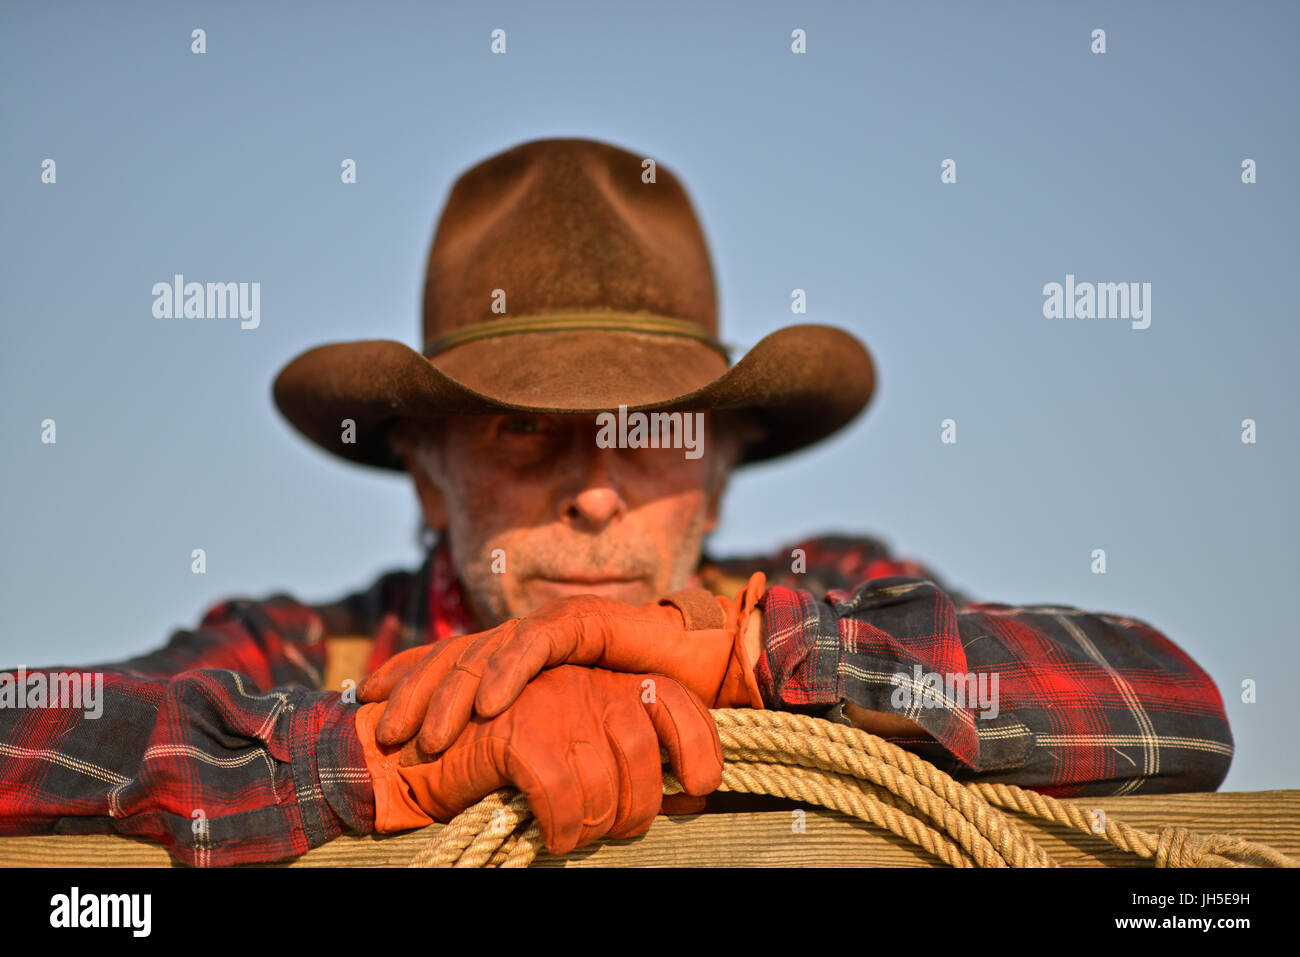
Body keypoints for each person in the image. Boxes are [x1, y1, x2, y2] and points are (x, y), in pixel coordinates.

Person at [0, 138, 1232, 866]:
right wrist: (374, 756)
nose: (594, 489)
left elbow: (1171, 706)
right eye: (520, 431)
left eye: (653, 436)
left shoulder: (834, 613)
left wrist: (752, 660)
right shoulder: (299, 655)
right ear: (425, 468)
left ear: (721, 470)